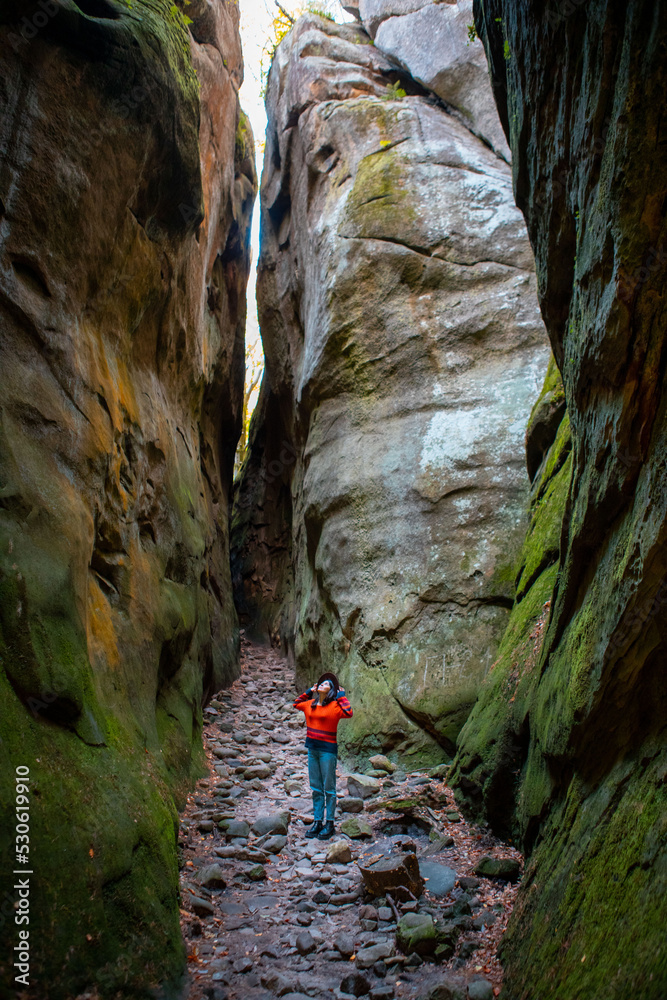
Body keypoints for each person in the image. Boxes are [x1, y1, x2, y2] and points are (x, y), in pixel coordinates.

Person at [292, 672, 353, 840]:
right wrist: (309, 691)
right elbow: (296, 703)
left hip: (327, 751)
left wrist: (341, 696)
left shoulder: (334, 706)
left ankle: (330, 823)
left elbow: (349, 712)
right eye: (321, 683)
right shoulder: (310, 704)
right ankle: (317, 821)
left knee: (329, 788)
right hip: (313, 749)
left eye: (327, 684)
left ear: (331, 690)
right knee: (316, 787)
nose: (322, 684)